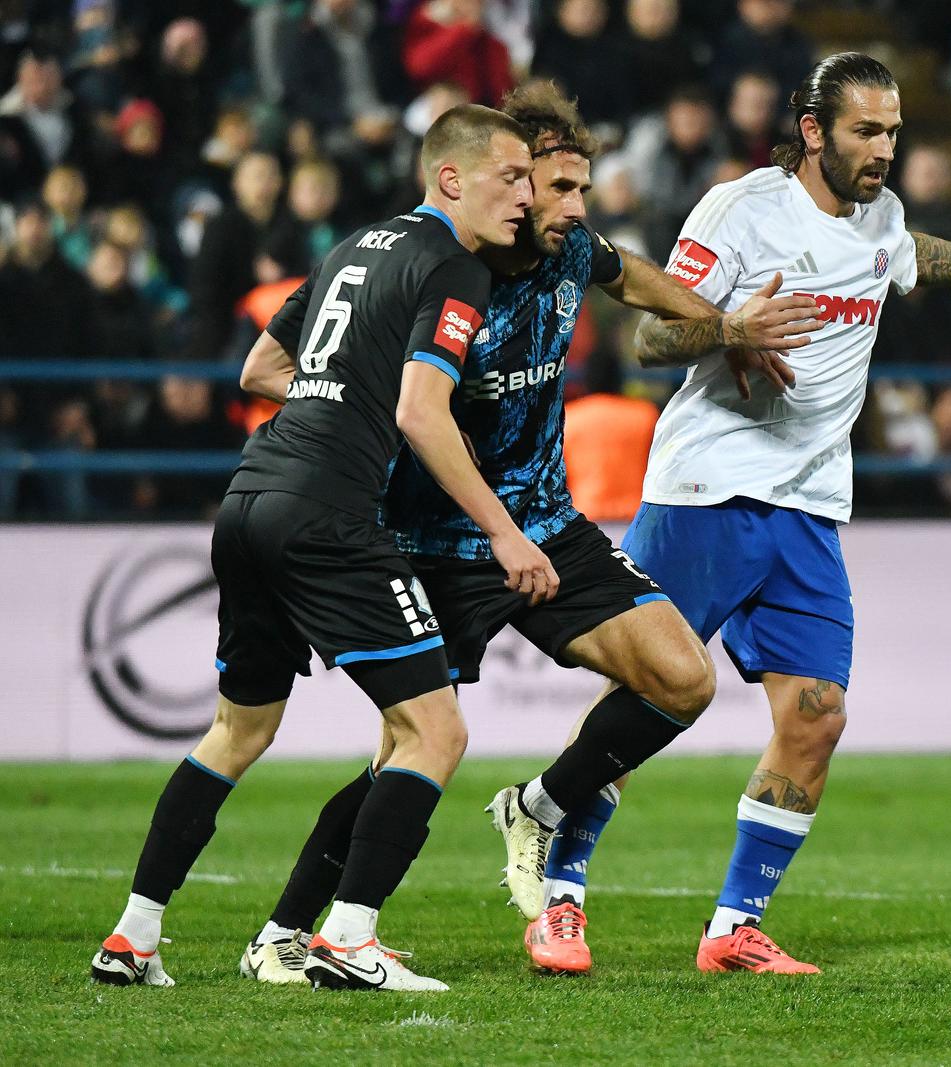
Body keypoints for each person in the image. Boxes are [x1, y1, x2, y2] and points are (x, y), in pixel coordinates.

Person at [498, 52, 951, 976]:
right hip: (710, 487)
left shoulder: (883, 216)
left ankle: (732, 926)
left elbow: (908, 258)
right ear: (814, 129)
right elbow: (652, 332)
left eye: (894, 132)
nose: (884, 150)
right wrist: (732, 327)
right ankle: (561, 894)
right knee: (650, 700)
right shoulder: (743, 210)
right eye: (866, 131)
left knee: (816, 713)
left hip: (810, 504)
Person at [235, 82, 813, 984]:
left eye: (583, 188)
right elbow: (275, 366)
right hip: (433, 541)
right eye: (557, 188)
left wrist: (725, 324)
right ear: (504, 186)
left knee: (681, 676)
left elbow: (639, 280)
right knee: (405, 750)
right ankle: (288, 929)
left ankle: (540, 807)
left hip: (544, 522)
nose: (578, 208)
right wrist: (372, 408)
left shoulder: (568, 246)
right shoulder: (432, 264)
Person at [91, 104, 549, 992]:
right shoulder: (454, 267)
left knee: (237, 729)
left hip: (250, 495)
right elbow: (421, 413)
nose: (525, 197)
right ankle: (348, 937)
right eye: (512, 176)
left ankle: (132, 936)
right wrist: (505, 532)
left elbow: (257, 370)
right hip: (326, 514)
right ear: (451, 177)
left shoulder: (354, 246)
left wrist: (336, 389)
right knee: (433, 731)